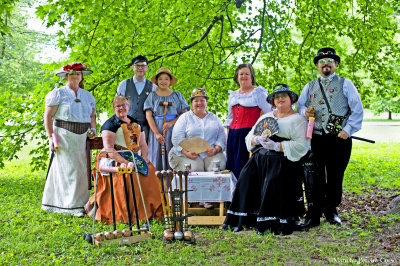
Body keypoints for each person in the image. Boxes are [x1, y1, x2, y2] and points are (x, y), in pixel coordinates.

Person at [223, 84, 309, 235]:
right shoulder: (266, 117)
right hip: (259, 159)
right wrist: (257, 139)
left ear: (291, 99)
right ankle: (248, 218)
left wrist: (277, 146)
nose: (280, 99)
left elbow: (302, 146)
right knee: (246, 176)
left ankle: (272, 220)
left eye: (284, 96)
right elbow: (248, 137)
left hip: (283, 160)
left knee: (273, 178)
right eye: (277, 97)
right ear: (273, 101)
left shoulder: (298, 119)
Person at [297, 47, 363, 229]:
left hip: (339, 138)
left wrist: (348, 130)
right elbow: (299, 106)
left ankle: (331, 210)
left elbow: (357, 109)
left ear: (335, 64)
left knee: (335, 175)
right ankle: (314, 214)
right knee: (314, 177)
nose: (326, 64)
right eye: (322, 62)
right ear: (318, 66)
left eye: (329, 61)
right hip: (316, 137)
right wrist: (305, 111)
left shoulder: (345, 83)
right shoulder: (309, 86)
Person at [85, 95, 163, 224]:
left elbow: (143, 144)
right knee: (127, 177)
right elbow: (109, 149)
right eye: (118, 106)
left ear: (128, 106)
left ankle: (150, 211)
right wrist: (125, 162)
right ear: (114, 108)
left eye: (124, 105)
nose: (121, 108)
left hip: (135, 157)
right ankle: (130, 214)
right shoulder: (109, 125)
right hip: (115, 157)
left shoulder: (135, 122)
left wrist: (144, 158)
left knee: (150, 172)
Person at [42, 62, 97, 216]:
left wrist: (93, 129)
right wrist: (51, 137)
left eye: (78, 74)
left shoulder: (87, 95)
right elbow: (48, 116)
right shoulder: (58, 93)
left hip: (83, 138)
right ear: (66, 76)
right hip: (64, 136)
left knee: (82, 170)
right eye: (72, 74)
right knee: (68, 170)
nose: (75, 76)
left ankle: (82, 204)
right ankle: (67, 205)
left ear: (82, 77)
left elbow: (92, 116)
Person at [224, 63, 272, 179]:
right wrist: (227, 137)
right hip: (233, 135)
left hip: (250, 134)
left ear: (252, 77)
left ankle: (248, 195)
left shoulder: (258, 93)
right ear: (237, 77)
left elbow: (270, 113)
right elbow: (230, 118)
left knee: (246, 168)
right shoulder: (233, 95)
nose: (244, 76)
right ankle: (233, 195)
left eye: (247, 74)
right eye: (241, 74)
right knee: (232, 166)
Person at [169, 88, 227, 171]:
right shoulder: (184, 118)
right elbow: (177, 138)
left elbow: (222, 136)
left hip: (212, 153)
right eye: (196, 101)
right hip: (187, 153)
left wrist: (216, 149)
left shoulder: (214, 118)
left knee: (216, 169)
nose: (199, 103)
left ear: (206, 102)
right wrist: (186, 152)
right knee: (194, 169)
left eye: (202, 100)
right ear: (192, 103)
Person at [144, 67, 189, 171]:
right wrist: (156, 133)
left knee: (173, 153)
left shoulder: (177, 95)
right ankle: (157, 184)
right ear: (156, 81)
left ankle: (173, 183)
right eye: (160, 79)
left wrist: (171, 123)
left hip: (174, 129)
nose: (163, 81)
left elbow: (184, 113)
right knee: (156, 155)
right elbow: (148, 115)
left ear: (170, 81)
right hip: (157, 128)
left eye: (166, 79)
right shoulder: (152, 96)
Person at [117, 55, 156, 143]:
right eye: (137, 66)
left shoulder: (153, 87)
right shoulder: (124, 84)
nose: (140, 68)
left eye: (143, 66)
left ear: (146, 68)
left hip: (146, 127)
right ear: (132, 67)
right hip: (127, 126)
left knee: (145, 153)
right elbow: (118, 106)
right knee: (128, 154)